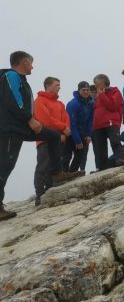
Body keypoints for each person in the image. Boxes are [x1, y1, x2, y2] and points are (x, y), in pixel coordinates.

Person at [0, 51, 69, 220]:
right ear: (24, 63)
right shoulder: (11, 76)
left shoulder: (20, 79)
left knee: (53, 136)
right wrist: (30, 119)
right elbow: (13, 101)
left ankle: (57, 172)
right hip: (10, 129)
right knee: (4, 166)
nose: (33, 66)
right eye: (31, 63)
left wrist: (30, 121)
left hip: (22, 126)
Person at [33, 77, 81, 204]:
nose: (59, 87)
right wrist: (62, 128)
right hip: (45, 139)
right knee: (43, 166)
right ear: (48, 86)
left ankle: (50, 190)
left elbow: (66, 118)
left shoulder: (60, 104)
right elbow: (45, 120)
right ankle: (39, 195)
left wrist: (65, 131)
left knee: (55, 164)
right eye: (56, 85)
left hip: (60, 139)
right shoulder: (39, 101)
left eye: (59, 85)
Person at [92, 74, 124, 171]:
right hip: (98, 125)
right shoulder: (97, 96)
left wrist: (102, 95)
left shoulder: (114, 91)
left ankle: (120, 160)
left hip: (111, 122)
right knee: (100, 147)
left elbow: (113, 106)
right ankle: (102, 167)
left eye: (97, 84)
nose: (96, 86)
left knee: (115, 142)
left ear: (104, 83)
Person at [63, 81, 94, 174]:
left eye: (87, 90)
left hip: (83, 134)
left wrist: (89, 135)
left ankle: (72, 174)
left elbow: (91, 121)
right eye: (83, 90)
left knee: (80, 156)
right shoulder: (73, 104)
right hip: (71, 134)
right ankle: (63, 175)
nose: (86, 92)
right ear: (79, 90)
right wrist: (77, 140)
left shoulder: (91, 103)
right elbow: (72, 123)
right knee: (66, 156)